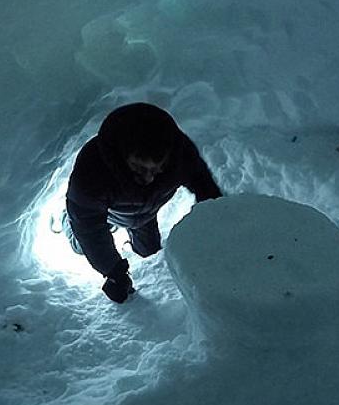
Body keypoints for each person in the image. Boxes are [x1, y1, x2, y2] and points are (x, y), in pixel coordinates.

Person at [63, 103, 222, 303]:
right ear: (122, 156)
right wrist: (113, 272)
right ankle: (65, 220)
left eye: (157, 169)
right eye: (139, 168)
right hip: (111, 212)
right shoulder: (93, 171)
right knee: (81, 246)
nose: (148, 179)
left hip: (146, 213)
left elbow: (204, 185)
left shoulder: (180, 156)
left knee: (151, 254)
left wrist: (219, 225)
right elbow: (88, 226)